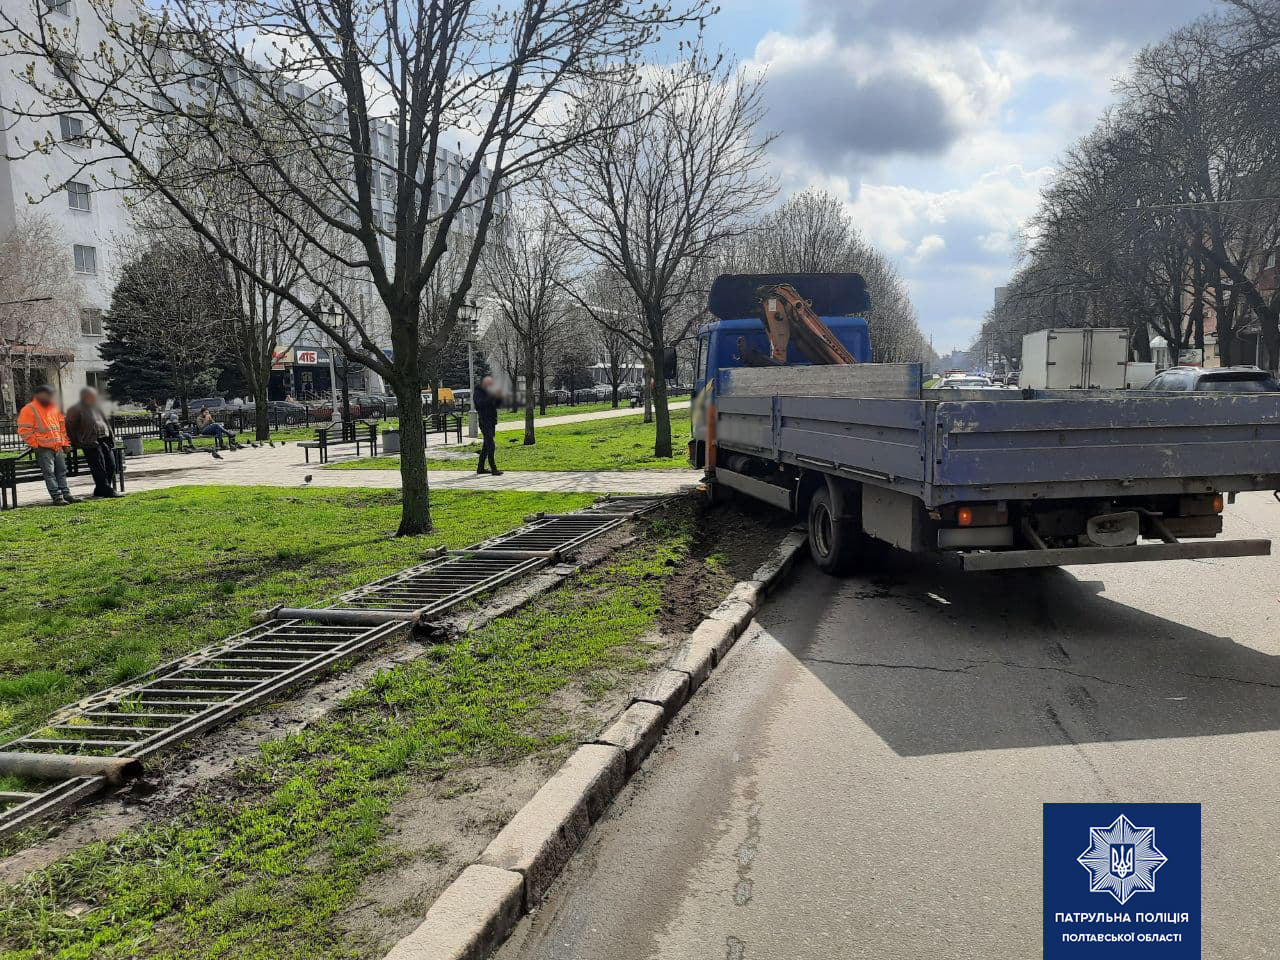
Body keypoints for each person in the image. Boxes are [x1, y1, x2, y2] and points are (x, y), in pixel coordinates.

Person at [16, 385, 77, 506]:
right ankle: (57, 497)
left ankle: (66, 494)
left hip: (57, 447)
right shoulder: (29, 409)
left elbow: (61, 428)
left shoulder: (54, 408)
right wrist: (36, 444)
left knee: (61, 471)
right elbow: (24, 430)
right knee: (50, 473)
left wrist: (65, 444)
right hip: (43, 448)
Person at [64, 387, 122, 499]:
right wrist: (78, 442)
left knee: (111, 465)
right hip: (89, 442)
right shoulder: (75, 409)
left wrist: (111, 437)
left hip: (103, 439)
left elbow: (106, 422)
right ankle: (106, 489)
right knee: (98, 467)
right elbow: (70, 427)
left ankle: (100, 489)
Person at [474, 376, 502, 476]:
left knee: (486, 446)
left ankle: (480, 468)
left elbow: (496, 405)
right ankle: (493, 469)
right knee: (491, 445)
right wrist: (492, 397)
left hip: (491, 421)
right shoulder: (478, 392)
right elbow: (481, 403)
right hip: (484, 421)